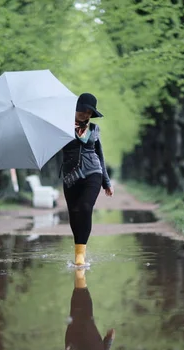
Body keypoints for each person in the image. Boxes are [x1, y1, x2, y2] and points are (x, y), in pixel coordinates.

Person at [45, 268, 115, 350]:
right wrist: (108, 343)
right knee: (86, 318)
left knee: (76, 310)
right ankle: (80, 271)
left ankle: (79, 274)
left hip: (73, 347)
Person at [61, 93, 114, 266]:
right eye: (82, 110)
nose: (85, 114)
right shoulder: (61, 127)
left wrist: (106, 182)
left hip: (93, 173)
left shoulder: (94, 129)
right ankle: (78, 249)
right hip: (71, 177)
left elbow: (100, 155)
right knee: (74, 213)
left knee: (85, 207)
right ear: (75, 109)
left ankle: (80, 256)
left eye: (89, 112)